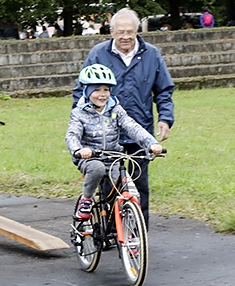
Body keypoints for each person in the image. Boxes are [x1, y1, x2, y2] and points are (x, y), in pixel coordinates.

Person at [72, 7, 175, 229]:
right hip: (105, 135)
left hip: (139, 130)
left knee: (139, 185)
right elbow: (80, 91)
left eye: (130, 31)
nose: (125, 36)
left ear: (137, 31)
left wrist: (165, 119)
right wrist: (81, 126)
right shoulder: (98, 54)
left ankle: (138, 234)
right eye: (120, 32)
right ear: (111, 32)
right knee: (108, 184)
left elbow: (164, 90)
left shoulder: (151, 54)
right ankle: (110, 231)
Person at [66, 64, 163, 219]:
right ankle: (86, 199)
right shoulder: (79, 113)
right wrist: (78, 149)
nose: (102, 94)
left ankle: (127, 230)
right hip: (90, 158)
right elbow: (72, 134)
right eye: (97, 90)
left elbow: (132, 126)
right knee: (97, 168)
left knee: (130, 192)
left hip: (113, 157)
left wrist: (151, 143)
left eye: (106, 90)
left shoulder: (115, 110)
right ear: (87, 91)